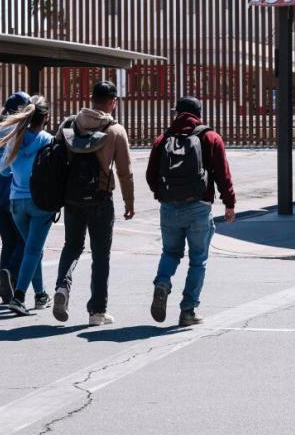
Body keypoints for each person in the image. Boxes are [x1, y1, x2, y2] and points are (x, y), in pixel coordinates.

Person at [145, 96, 235, 327]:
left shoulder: (163, 138)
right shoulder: (210, 137)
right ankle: (188, 311)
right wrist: (229, 203)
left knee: (170, 253)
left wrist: (163, 194)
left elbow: (150, 175)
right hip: (199, 207)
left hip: (169, 208)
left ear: (178, 113)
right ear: (199, 114)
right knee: (198, 260)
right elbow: (223, 175)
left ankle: (162, 283)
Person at [51, 80, 134, 327]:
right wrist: (129, 202)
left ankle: (62, 288)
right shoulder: (115, 130)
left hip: (72, 197)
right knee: (100, 255)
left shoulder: (71, 124)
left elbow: (57, 159)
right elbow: (125, 171)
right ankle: (97, 312)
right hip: (100, 199)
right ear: (112, 102)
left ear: (92, 99)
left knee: (72, 245)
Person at [0, 96, 54, 316]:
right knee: (33, 250)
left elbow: (3, 170)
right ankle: (19, 297)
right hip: (40, 202)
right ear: (46, 117)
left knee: (31, 250)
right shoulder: (47, 140)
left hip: (16, 202)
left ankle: (41, 294)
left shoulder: (14, 138)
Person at [0, 92, 29, 304]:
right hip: (10, 192)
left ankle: (5, 287)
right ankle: (11, 275)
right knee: (23, 240)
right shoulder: (18, 130)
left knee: (8, 240)